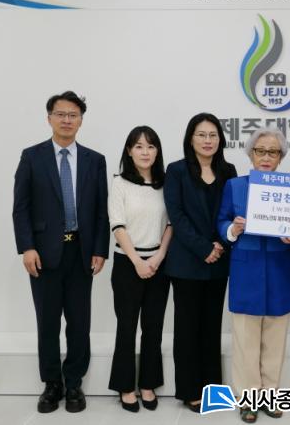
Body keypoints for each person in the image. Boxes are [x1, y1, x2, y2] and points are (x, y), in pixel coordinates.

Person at [12, 91, 109, 413]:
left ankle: (74, 383)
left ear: (81, 120)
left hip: (81, 252)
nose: (67, 120)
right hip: (43, 254)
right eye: (60, 114)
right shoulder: (32, 157)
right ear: (49, 118)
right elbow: (21, 207)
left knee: (79, 322)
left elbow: (101, 210)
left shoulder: (95, 160)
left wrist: (100, 249)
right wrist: (27, 247)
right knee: (48, 322)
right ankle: (52, 384)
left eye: (73, 115)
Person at [217, 128, 290, 423]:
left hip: (279, 269)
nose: (266, 157)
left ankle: (271, 395)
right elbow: (221, 221)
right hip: (246, 268)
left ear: (280, 157)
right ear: (251, 154)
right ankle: (248, 399)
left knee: (275, 339)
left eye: (272, 152)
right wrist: (233, 229)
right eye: (260, 151)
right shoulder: (234, 186)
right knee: (245, 340)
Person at [163, 113, 237, 412]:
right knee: (187, 329)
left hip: (219, 261)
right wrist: (203, 248)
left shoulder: (228, 171)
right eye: (201, 135)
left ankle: (214, 391)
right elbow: (176, 215)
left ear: (220, 139)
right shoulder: (176, 170)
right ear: (190, 139)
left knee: (211, 328)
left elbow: (231, 212)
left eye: (213, 135)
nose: (208, 140)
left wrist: (219, 245)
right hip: (187, 262)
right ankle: (190, 391)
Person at [107, 126, 172, 412]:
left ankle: (148, 384)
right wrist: (137, 261)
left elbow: (171, 224)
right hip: (127, 263)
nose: (145, 152)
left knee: (153, 328)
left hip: (159, 263)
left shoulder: (165, 184)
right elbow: (117, 225)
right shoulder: (120, 183)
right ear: (129, 151)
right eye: (139, 146)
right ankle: (125, 386)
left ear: (157, 151)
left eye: (151, 146)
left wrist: (159, 257)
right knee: (127, 327)